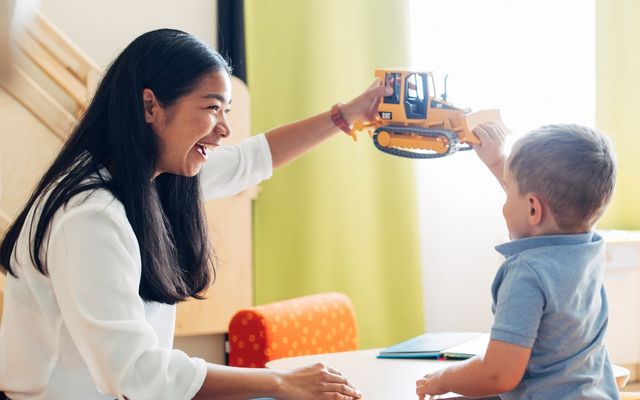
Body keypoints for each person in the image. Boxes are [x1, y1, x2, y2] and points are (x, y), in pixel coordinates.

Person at [0, 28, 391, 400]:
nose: (224, 128)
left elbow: (251, 160)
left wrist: (351, 114)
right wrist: (280, 381)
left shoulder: (157, 177)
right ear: (150, 106)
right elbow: (135, 372)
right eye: (212, 108)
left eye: (227, 110)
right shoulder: (89, 217)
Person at [416, 123, 619, 399]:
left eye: (508, 192)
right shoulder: (587, 249)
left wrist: (444, 378)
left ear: (533, 208)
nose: (505, 201)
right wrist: (500, 162)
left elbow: (498, 375)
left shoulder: (526, 273)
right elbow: (540, 199)